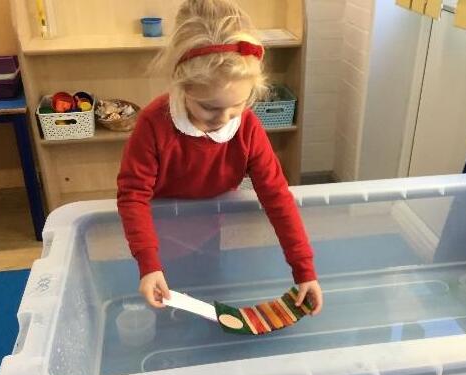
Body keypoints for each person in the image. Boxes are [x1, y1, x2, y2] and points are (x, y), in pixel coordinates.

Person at [117, 0, 323, 315]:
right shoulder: (153, 123)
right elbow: (132, 195)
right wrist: (148, 264)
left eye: (237, 105)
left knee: (207, 291)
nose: (224, 118)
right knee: (165, 305)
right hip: (159, 234)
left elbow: (277, 196)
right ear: (182, 87)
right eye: (209, 108)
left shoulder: (247, 128)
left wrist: (304, 270)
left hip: (211, 227)